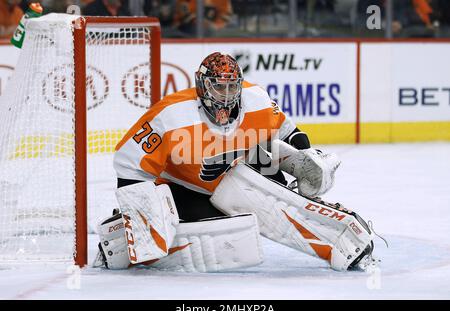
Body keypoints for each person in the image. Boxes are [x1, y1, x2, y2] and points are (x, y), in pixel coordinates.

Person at [93, 52, 376, 272]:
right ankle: (119, 237)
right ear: (202, 85)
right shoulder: (171, 115)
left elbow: (289, 131)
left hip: (234, 176)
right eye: (218, 88)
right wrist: (142, 210)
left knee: (267, 184)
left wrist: (307, 153)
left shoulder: (257, 100)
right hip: (181, 188)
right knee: (228, 239)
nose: (226, 96)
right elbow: (129, 162)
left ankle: (329, 231)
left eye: (232, 87)